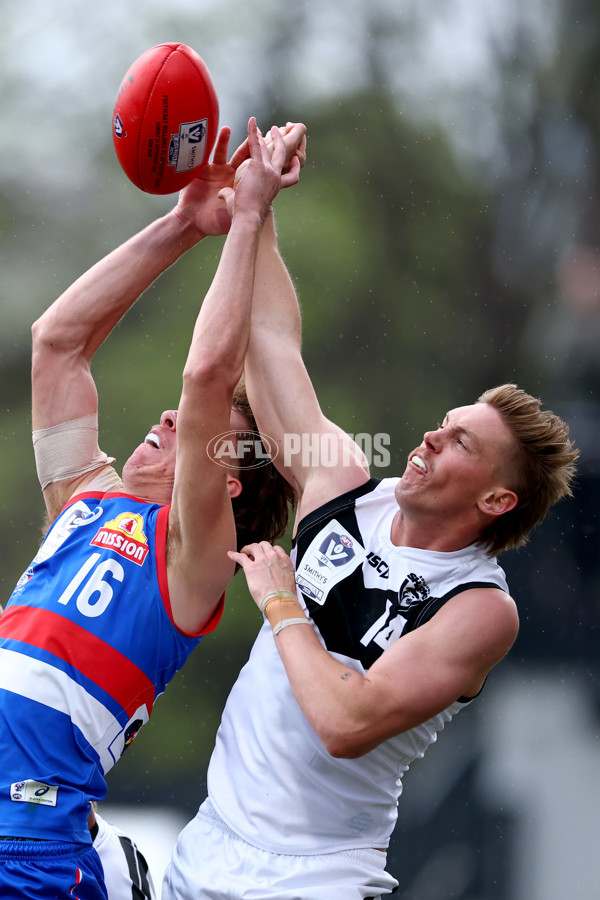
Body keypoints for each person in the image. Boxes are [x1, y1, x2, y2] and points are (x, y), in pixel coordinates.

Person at [163, 194, 579, 898]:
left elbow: (345, 723)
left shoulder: (478, 607)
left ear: (495, 500)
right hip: (207, 844)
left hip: (315, 875)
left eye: (460, 442)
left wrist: (282, 603)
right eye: (443, 424)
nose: (430, 438)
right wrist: (258, 206)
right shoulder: (345, 484)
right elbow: (272, 343)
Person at [0, 118, 304, 899]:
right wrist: (185, 223)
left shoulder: (193, 556)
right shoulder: (85, 496)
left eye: (200, 430)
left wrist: (249, 217)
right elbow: (57, 343)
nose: (171, 417)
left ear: (226, 482)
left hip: (26, 846)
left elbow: (206, 377)